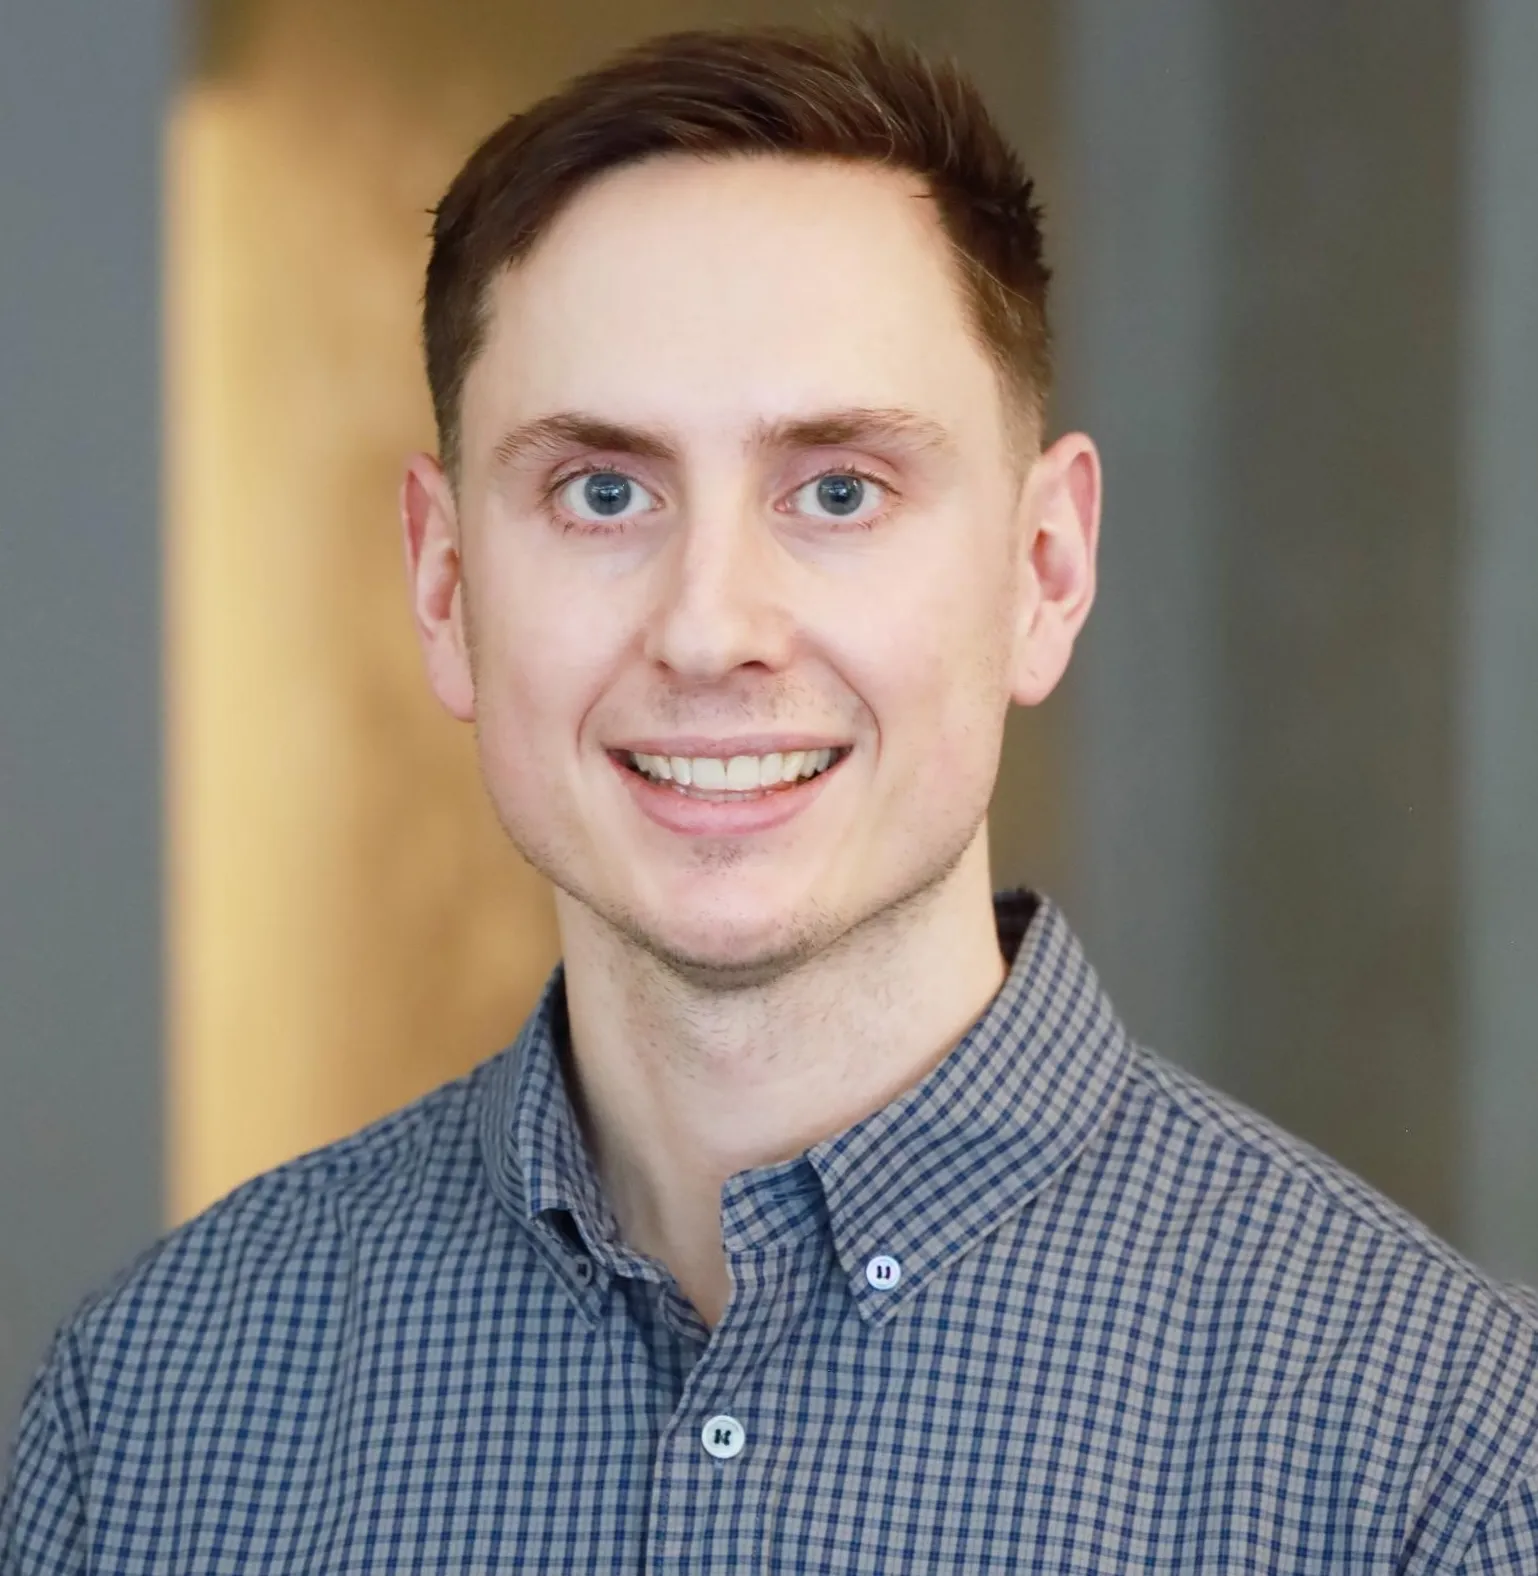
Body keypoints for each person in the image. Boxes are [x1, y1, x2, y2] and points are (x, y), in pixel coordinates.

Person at [4, 21, 1536, 1573]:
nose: (709, 629)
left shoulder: (1430, 1456)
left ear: (1043, 570)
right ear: (444, 579)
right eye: (602, 492)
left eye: (838, 490)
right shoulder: (147, 1418)